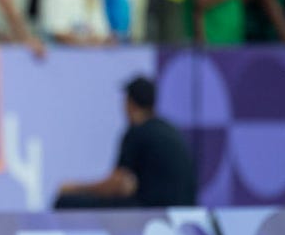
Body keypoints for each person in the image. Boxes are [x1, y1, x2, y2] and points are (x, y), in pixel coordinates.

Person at [55, 76, 196, 209]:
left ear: (130, 103)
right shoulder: (171, 130)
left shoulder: (138, 131)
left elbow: (115, 185)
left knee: (66, 203)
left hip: (151, 212)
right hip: (184, 209)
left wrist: (75, 189)